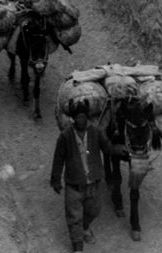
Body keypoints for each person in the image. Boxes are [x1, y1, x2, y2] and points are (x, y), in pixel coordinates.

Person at [50, 99, 125, 252]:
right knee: (74, 216)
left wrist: (120, 150)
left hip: (93, 183)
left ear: (87, 117)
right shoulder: (65, 136)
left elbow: (107, 148)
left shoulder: (95, 132)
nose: (81, 120)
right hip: (74, 184)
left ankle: (85, 227)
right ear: (73, 118)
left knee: (94, 210)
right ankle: (77, 246)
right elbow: (58, 159)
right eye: (78, 117)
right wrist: (55, 179)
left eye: (83, 117)